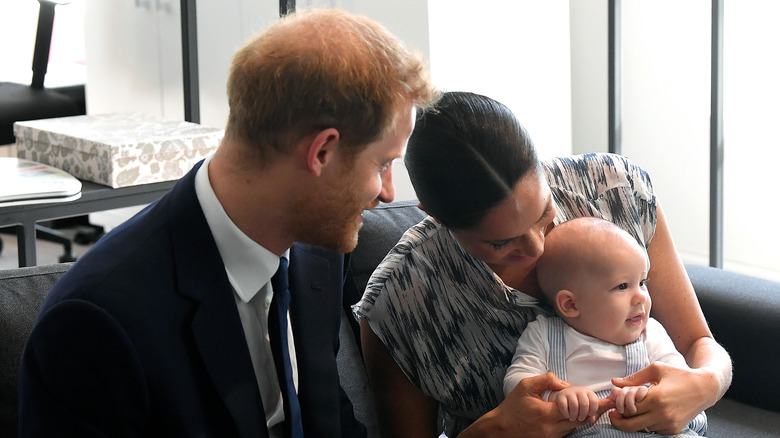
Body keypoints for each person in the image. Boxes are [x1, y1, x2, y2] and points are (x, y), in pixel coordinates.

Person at [18, 8, 438, 437]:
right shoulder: (95, 325)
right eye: (383, 163)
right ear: (321, 152)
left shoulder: (318, 252)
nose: (387, 192)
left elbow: (328, 420)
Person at [354, 91, 732, 438]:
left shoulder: (614, 191)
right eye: (501, 243)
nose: (536, 247)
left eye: (544, 213)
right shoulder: (401, 302)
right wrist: (497, 429)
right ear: (435, 216)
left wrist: (707, 384)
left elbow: (697, 342)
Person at [503, 216, 707, 437]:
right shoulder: (543, 334)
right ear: (571, 304)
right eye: (622, 286)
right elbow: (517, 384)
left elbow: (678, 378)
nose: (640, 297)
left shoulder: (651, 333)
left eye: (642, 282)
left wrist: (646, 394)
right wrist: (556, 397)